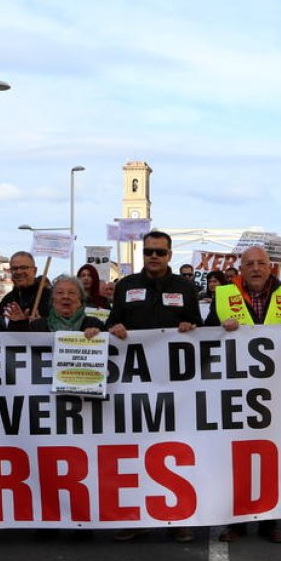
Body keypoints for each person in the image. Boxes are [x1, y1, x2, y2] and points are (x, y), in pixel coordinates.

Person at [106, 230, 201, 543]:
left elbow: (199, 330)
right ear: (143, 254)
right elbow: (112, 323)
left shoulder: (186, 288)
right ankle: (137, 517)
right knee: (137, 450)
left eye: (160, 252)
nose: (154, 257)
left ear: (170, 255)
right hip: (135, 385)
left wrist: (190, 327)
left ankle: (179, 517)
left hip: (175, 384)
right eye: (149, 252)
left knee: (177, 448)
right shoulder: (127, 286)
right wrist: (115, 327)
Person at [204, 246, 281, 545]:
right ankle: (236, 521)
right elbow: (205, 335)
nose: (256, 268)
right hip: (235, 391)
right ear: (242, 268)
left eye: (261, 263)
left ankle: (270, 521)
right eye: (250, 264)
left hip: (275, 391)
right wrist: (219, 327)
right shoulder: (223, 296)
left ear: (270, 267)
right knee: (236, 457)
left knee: (274, 456)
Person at [27, 274, 105, 336]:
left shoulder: (94, 324)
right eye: (60, 292)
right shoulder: (37, 327)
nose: (65, 296)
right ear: (53, 301)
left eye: (71, 293)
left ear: (80, 301)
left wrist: (98, 337)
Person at [0, 251, 53, 331]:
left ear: (34, 270)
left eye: (23, 267)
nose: (18, 272)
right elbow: (0, 331)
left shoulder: (49, 297)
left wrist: (40, 324)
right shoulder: (7, 300)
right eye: (14, 268)